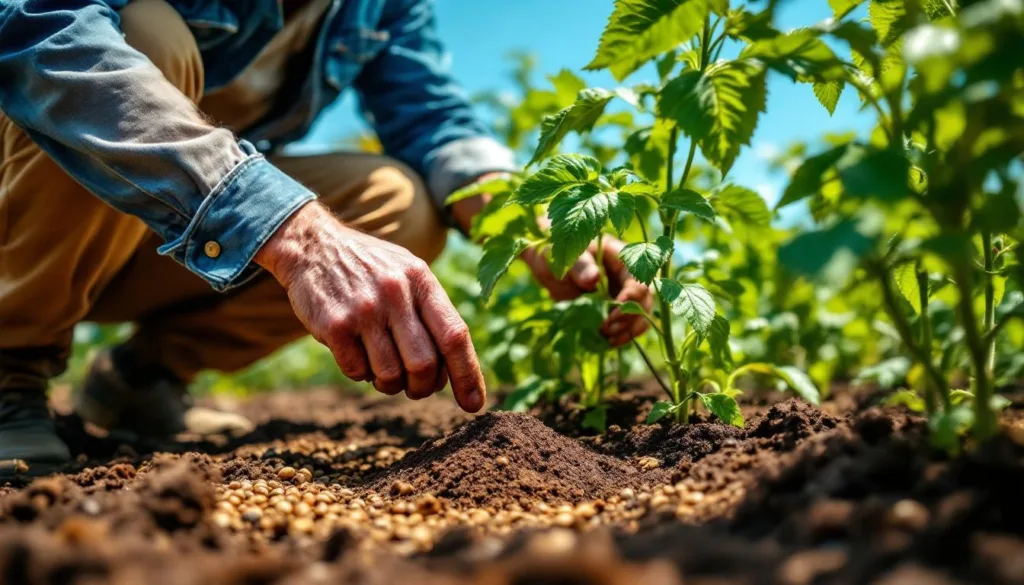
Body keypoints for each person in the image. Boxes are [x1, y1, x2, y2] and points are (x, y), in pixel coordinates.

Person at [0, 0, 653, 475]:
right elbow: (41, 32)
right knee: (148, 36)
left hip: (158, 233)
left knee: (398, 205)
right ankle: (11, 369)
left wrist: (531, 223)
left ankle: (142, 378)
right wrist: (298, 235)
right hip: (30, 211)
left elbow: (433, 118)